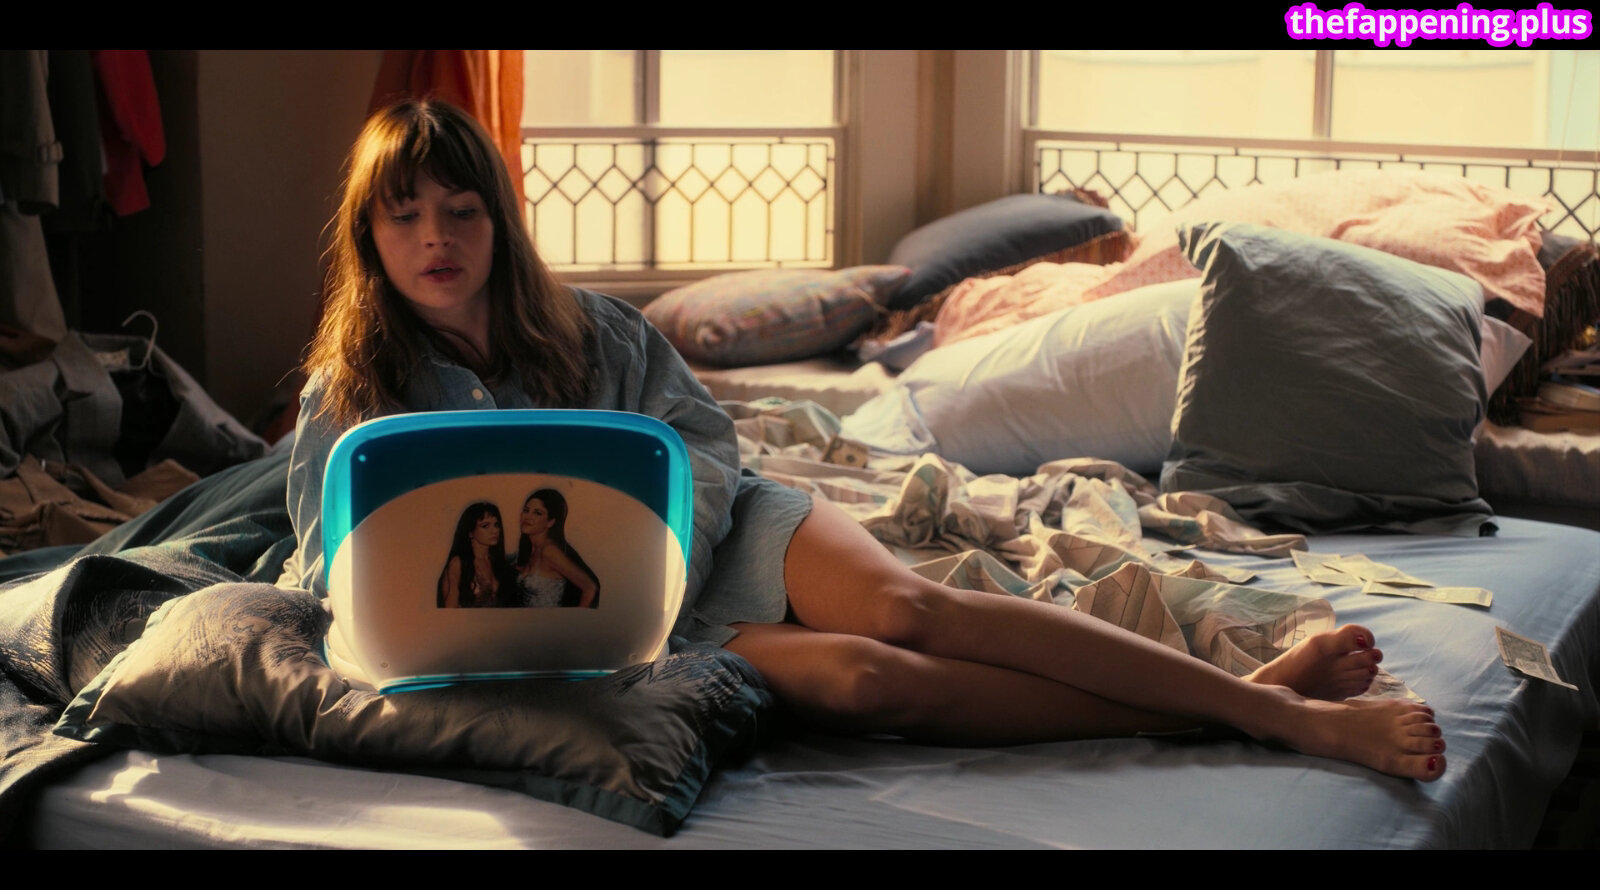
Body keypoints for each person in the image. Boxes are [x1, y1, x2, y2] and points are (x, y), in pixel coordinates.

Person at [281, 98, 1446, 781]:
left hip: (706, 545)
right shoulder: (353, 385)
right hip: (600, 631)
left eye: (461, 210)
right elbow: (331, 551)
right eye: (404, 214)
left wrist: (666, 547)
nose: (435, 238)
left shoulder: (592, 328)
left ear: (497, 220)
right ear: (368, 232)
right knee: (866, 678)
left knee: (908, 609)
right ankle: (1229, 706)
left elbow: (703, 441)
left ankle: (1276, 712)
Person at [516, 488, 599, 608]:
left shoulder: (549, 551)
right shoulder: (532, 549)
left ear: (550, 522)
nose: (527, 517)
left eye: (537, 513)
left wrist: (576, 618)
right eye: (526, 510)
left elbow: (590, 588)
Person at [437, 501, 517, 608]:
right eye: (485, 526)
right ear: (470, 532)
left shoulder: (499, 562)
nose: (494, 531)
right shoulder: (458, 563)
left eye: (496, 525)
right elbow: (450, 609)